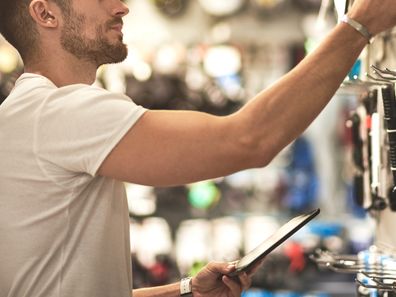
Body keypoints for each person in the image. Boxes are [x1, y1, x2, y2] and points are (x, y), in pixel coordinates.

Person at [0, 0, 395, 296]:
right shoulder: (57, 113)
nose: (121, 6)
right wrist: (359, 25)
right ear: (45, 13)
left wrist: (185, 290)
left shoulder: (28, 115)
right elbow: (249, 141)